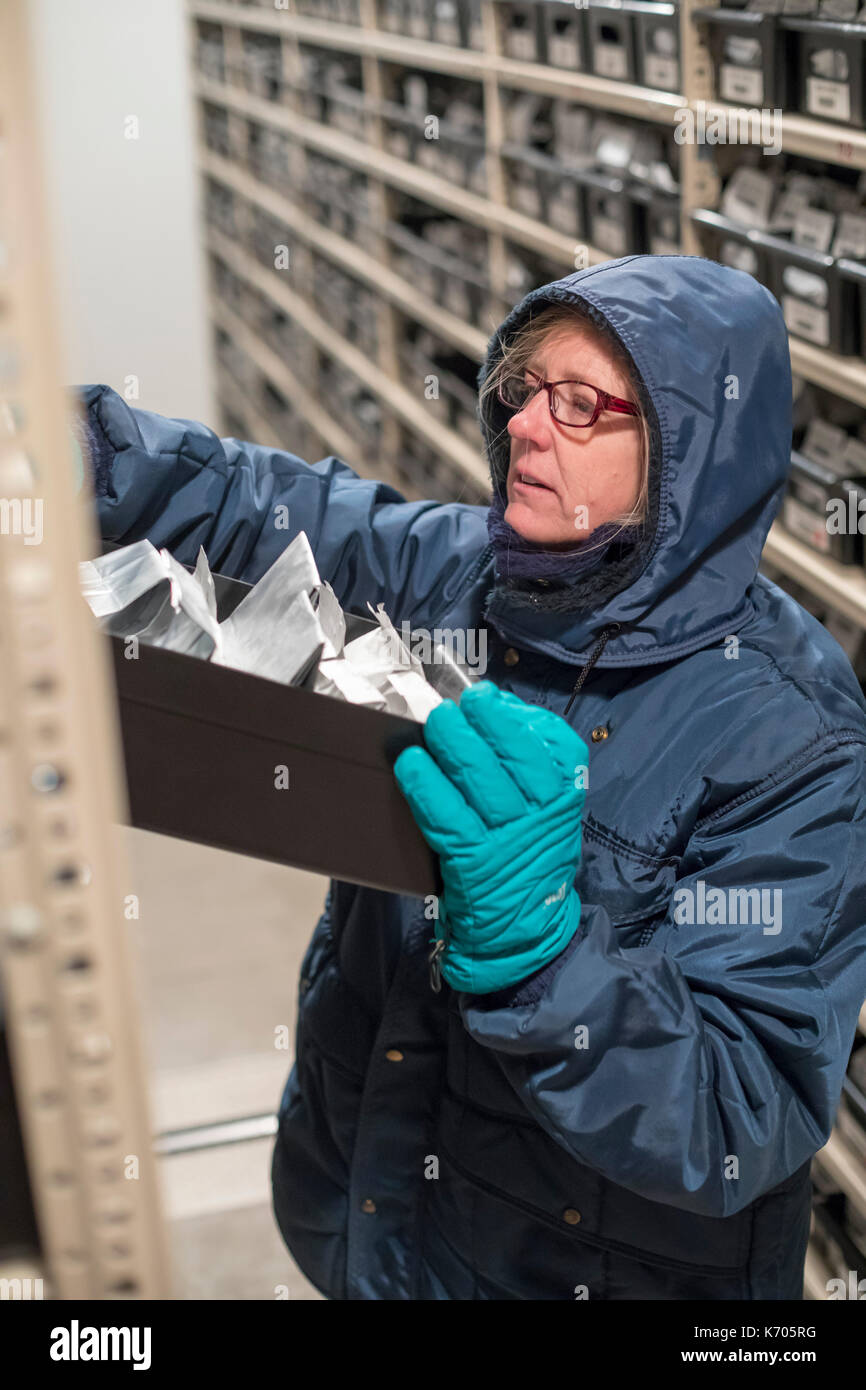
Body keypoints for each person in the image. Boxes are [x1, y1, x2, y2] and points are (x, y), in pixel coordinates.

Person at [74, 253, 866, 1300]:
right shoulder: (463, 576)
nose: (527, 427)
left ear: (690, 451)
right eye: (522, 391)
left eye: (581, 405)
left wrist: (541, 958)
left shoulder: (788, 734)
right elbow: (254, 504)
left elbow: (735, 1116)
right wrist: (68, 447)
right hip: (378, 1216)